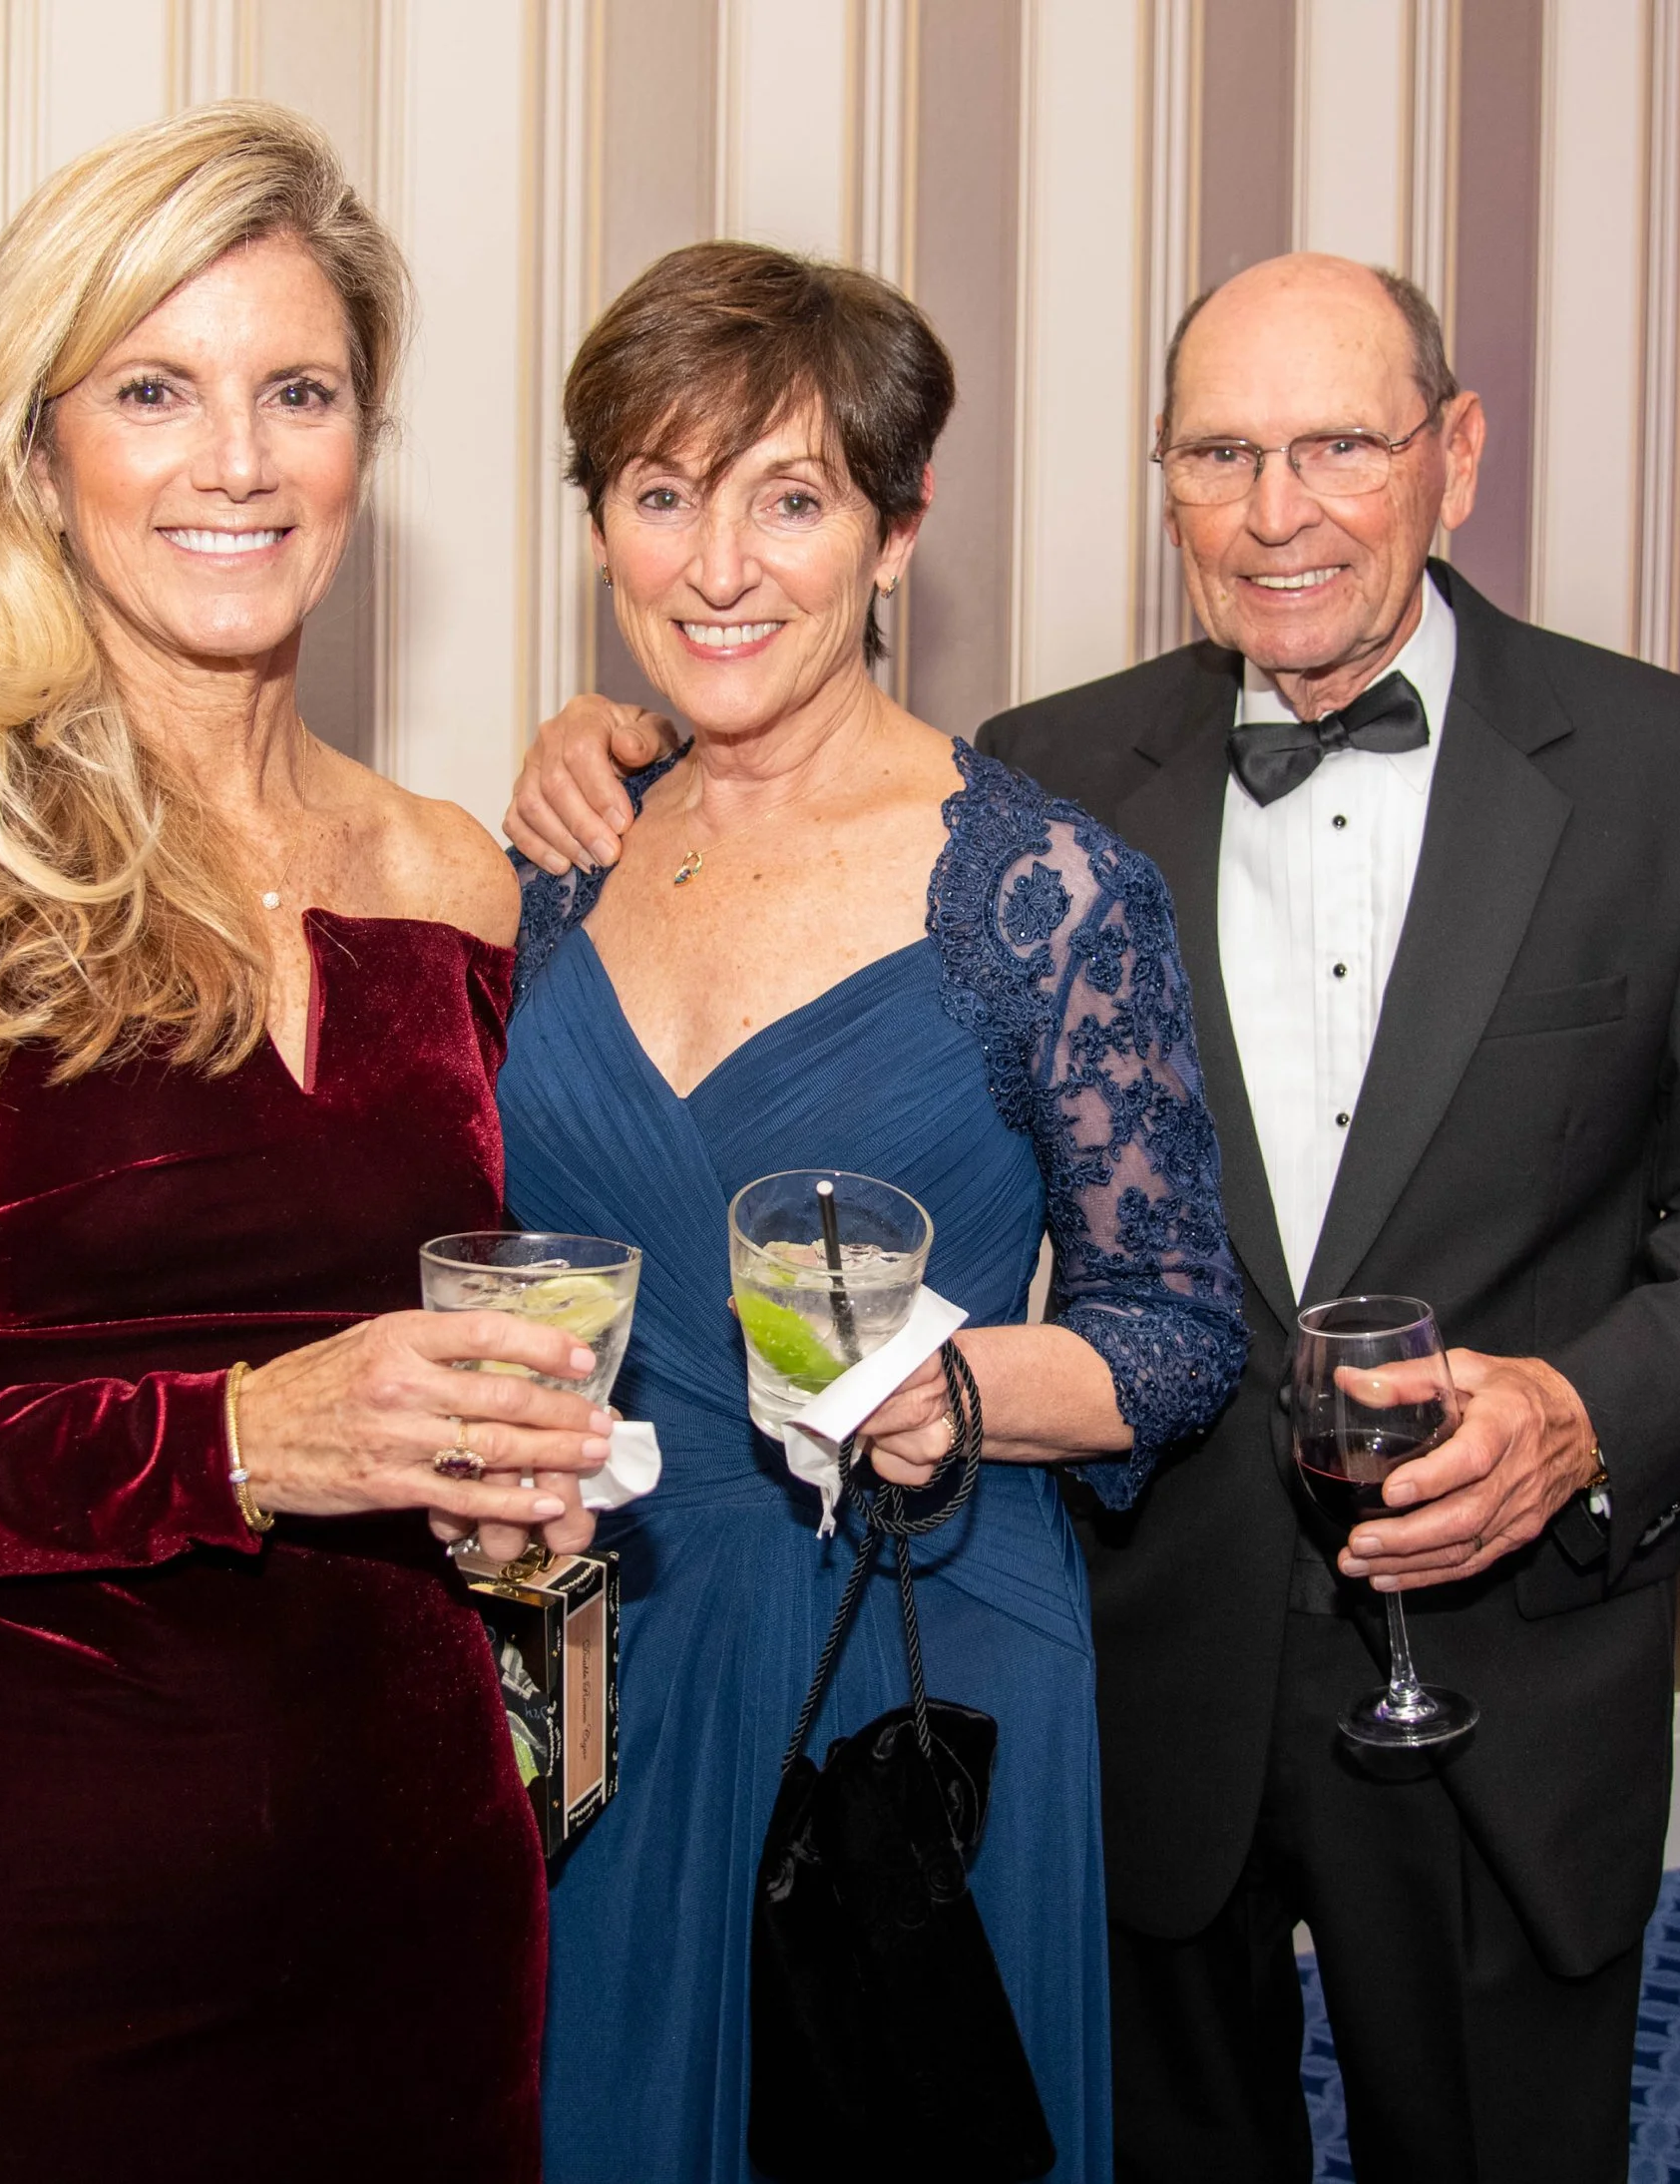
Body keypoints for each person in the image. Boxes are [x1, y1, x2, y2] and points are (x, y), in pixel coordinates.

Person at [506, 252, 1680, 2183]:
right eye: (1221, 452)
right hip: (1152, 1658)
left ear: (1456, 457)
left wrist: (1579, 1416)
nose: (1276, 508)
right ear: (1164, 482)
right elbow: (786, 755)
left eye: (1338, 447)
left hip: (1496, 1662)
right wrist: (606, 739)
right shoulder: (1060, 772)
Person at [0, 104, 610, 2183]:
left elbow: (495, 1384)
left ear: (363, 445)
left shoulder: (449, 880)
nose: (235, 459)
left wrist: (531, 1519)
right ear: (38, 448)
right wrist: (237, 1438)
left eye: (300, 391)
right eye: (154, 389)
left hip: (422, 1901)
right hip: (22, 1929)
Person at [496, 239, 1248, 2183]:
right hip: (601, 1642)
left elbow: (1178, 1325)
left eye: (790, 496)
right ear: (598, 528)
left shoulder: (1045, 894)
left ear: (896, 532)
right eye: (659, 495)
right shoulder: (548, 867)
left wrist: (956, 1383)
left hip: (914, 1648)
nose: (717, 565)